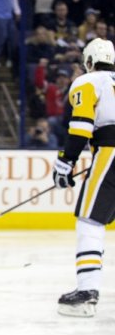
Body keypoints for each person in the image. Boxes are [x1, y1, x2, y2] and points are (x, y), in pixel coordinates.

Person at [52, 38, 115, 317]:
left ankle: (86, 293)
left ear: (88, 62)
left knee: (91, 220)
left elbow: (81, 127)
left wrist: (65, 162)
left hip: (110, 153)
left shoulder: (87, 81)